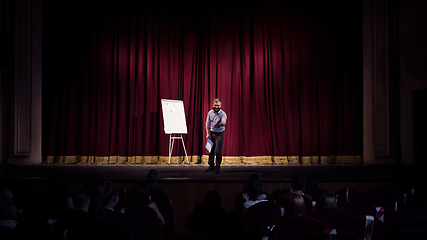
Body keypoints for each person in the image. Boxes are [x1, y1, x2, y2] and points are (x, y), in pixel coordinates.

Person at [205, 99, 227, 174]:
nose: (216, 107)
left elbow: (224, 122)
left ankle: (217, 167)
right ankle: (211, 166)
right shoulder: (210, 113)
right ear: (213, 105)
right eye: (215, 105)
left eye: (218, 105)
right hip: (212, 133)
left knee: (218, 151)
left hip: (219, 134)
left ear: (220, 106)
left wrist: (221, 123)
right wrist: (207, 133)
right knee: (211, 150)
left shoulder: (223, 114)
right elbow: (207, 123)